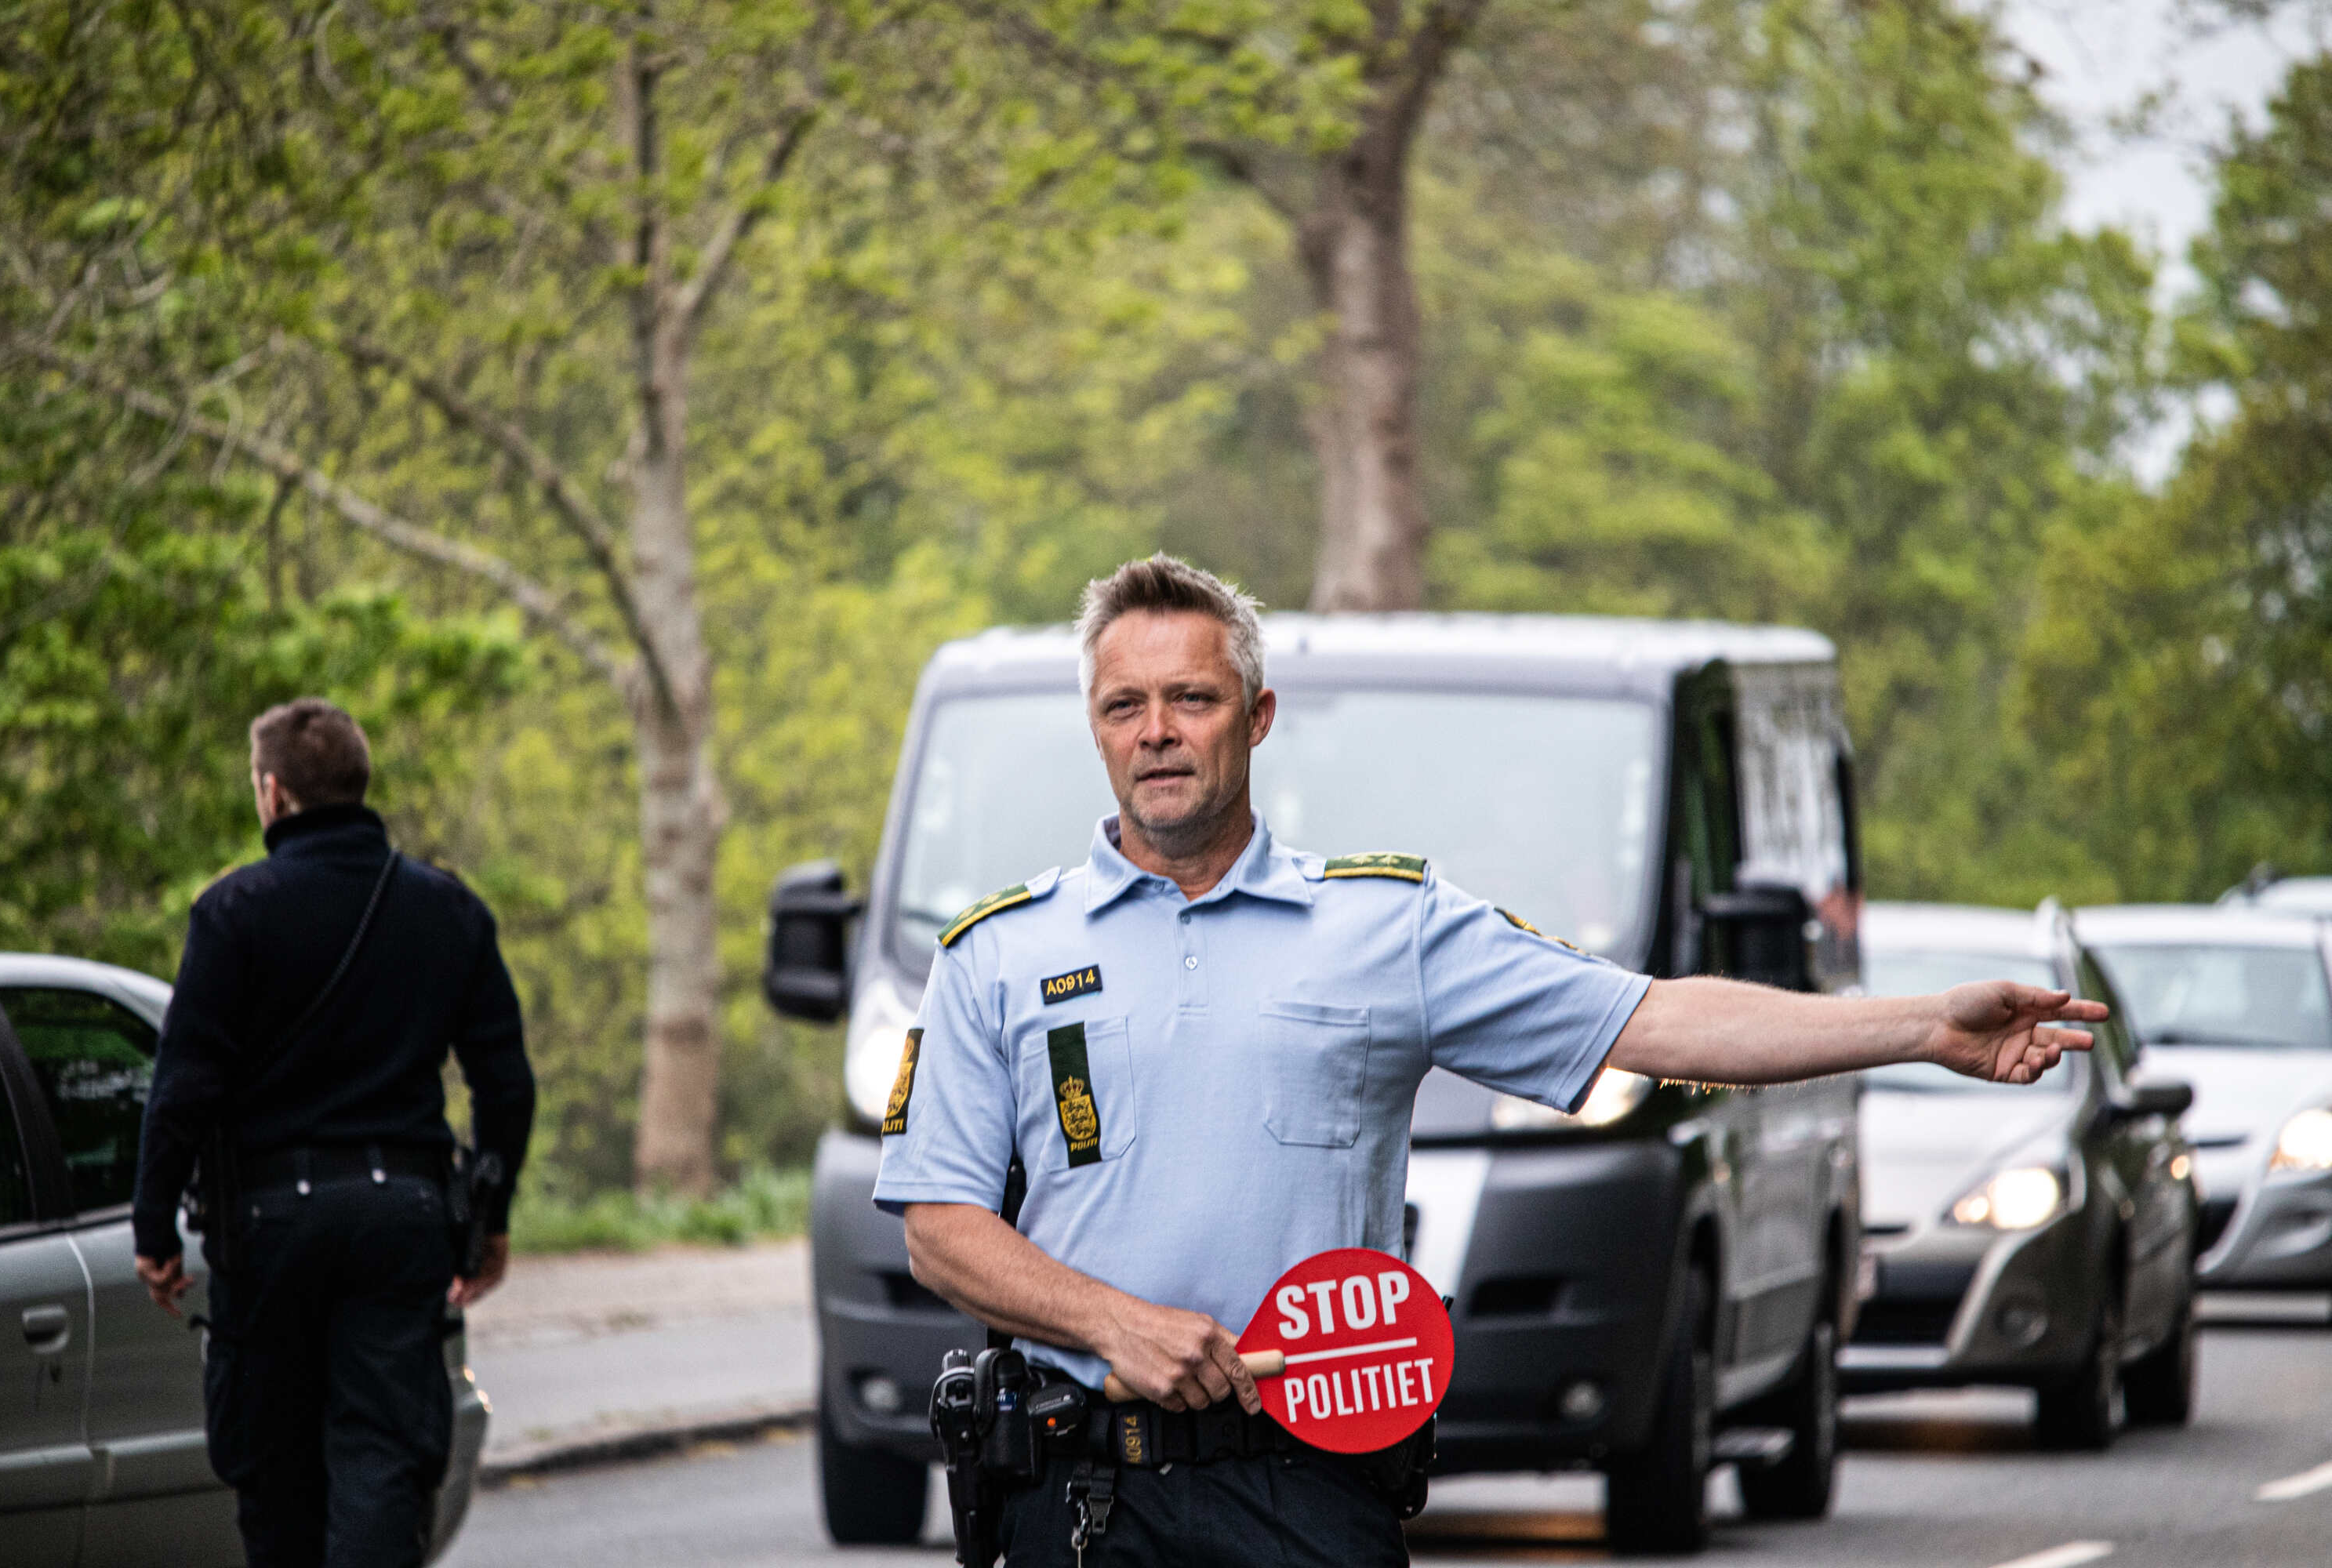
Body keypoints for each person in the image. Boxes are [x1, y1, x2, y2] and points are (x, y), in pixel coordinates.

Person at [874, 555, 2103, 1567]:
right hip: (1078, 1501)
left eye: (1190, 699)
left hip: (1306, 1494)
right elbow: (938, 1225)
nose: (1157, 734)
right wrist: (1114, 1325)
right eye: (1123, 706)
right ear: (1093, 728)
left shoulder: (1386, 925)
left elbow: (1656, 1020)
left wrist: (1926, 1027)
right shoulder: (998, 953)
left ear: (1255, 718)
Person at [132, 699, 536, 1568]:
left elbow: (184, 1087)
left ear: (272, 793)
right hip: (403, 1220)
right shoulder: (447, 911)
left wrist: (154, 1224)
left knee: (274, 1465)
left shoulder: (232, 911)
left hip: (267, 1229)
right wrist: (489, 1217)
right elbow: (504, 1081)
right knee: (384, 1456)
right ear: (359, 786)